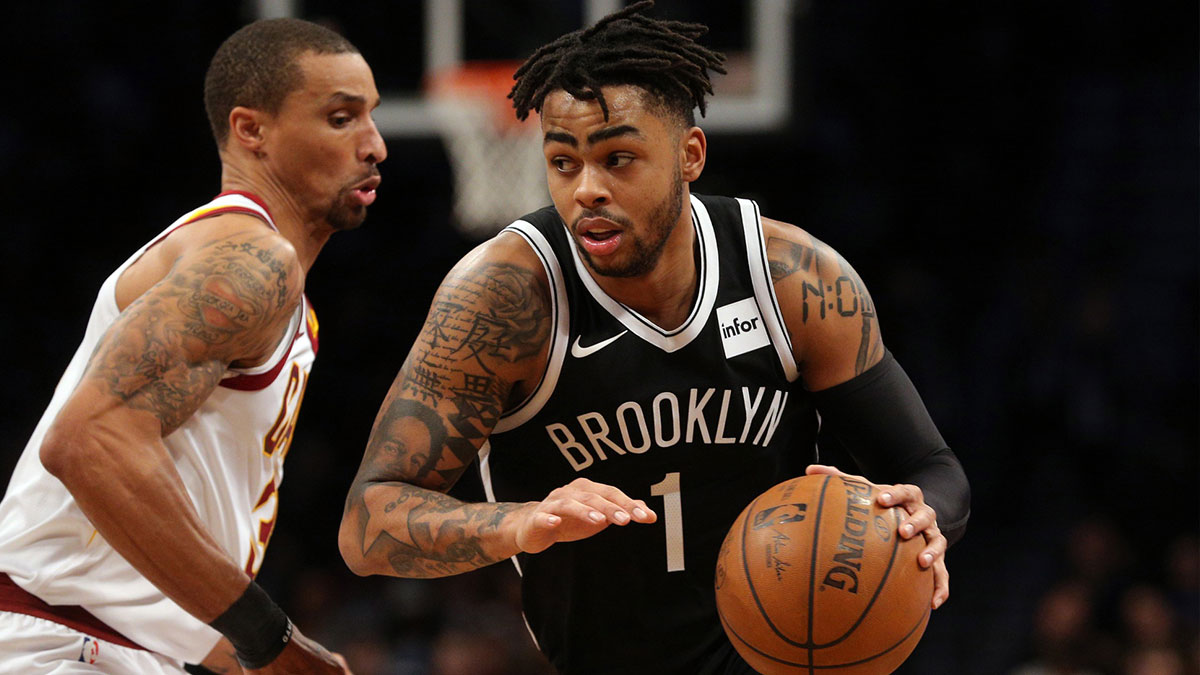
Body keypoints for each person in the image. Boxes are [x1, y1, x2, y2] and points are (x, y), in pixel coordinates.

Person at [339, 2, 968, 673]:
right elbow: (367, 525)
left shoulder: (793, 281)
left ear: (689, 154)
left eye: (619, 158)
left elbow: (933, 468)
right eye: (562, 162)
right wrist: (519, 522)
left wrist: (921, 516)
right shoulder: (506, 300)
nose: (587, 190)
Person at [0, 17, 386, 674]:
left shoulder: (270, 286)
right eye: (341, 118)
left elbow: (125, 562)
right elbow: (88, 442)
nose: (375, 145)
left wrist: (256, 658)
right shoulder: (251, 262)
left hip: (91, 643)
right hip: (59, 646)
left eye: (371, 117)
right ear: (250, 129)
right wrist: (272, 640)